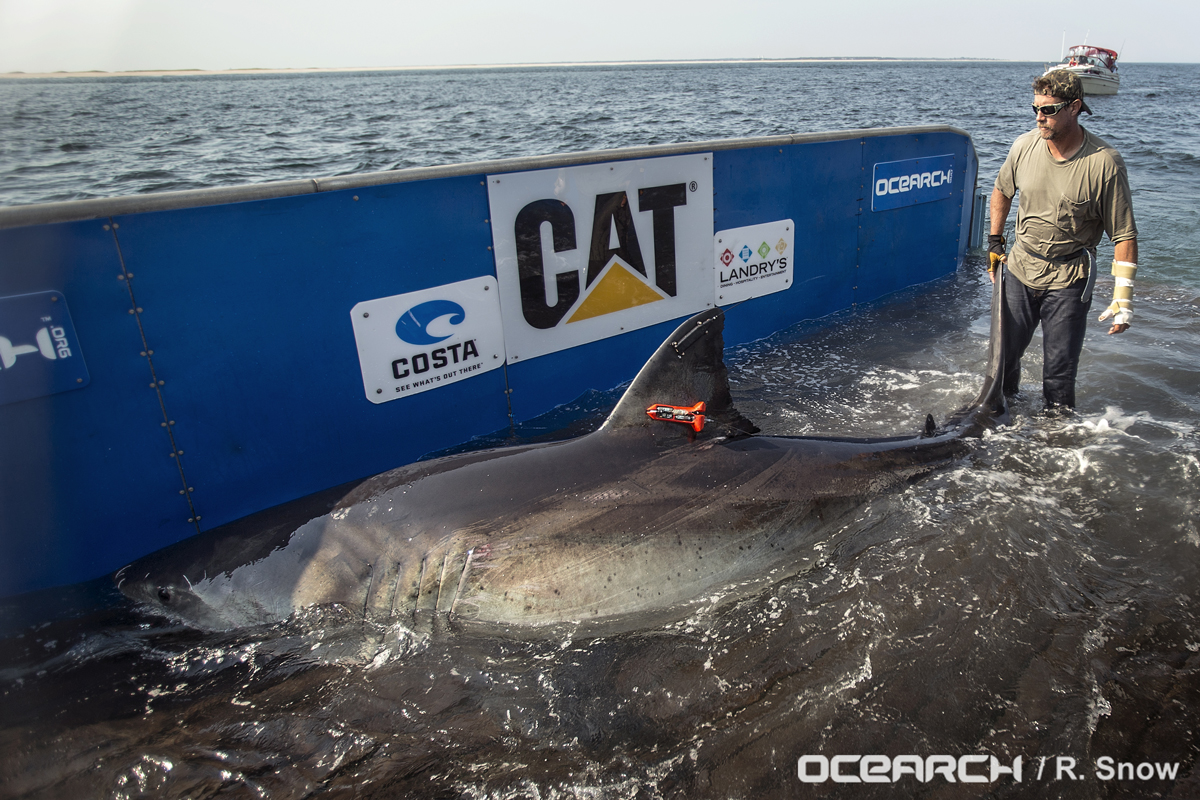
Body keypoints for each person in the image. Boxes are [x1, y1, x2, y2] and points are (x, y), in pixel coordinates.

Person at [988, 69, 1139, 412]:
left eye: (1049, 110)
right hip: (1021, 270)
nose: (1040, 118)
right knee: (1001, 364)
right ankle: (999, 429)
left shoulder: (1104, 163)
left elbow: (1124, 234)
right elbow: (1001, 190)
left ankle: (1057, 445)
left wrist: (1123, 297)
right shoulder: (1024, 146)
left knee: (1058, 378)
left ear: (1074, 107)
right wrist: (995, 243)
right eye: (1036, 109)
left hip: (1069, 281)